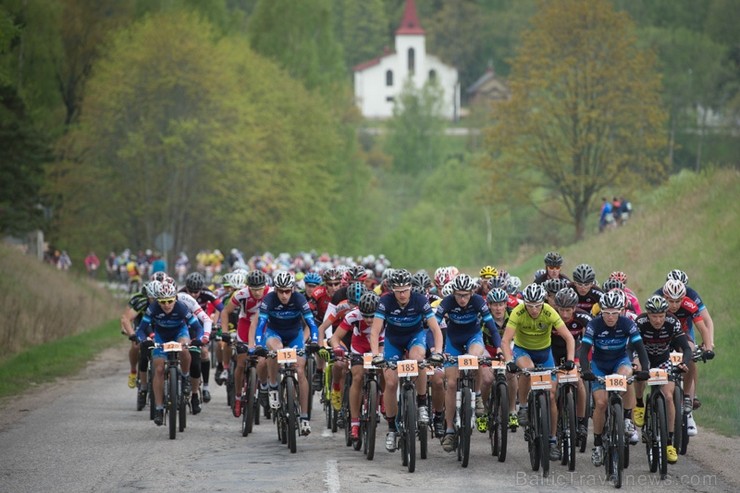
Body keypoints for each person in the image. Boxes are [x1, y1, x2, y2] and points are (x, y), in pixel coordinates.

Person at [369, 268, 444, 452]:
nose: (402, 295)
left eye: (405, 290)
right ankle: (392, 429)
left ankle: (421, 403)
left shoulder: (419, 300)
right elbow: (375, 331)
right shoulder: (385, 301)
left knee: (418, 359)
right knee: (391, 382)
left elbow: (435, 329)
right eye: (398, 291)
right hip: (393, 340)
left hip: (414, 337)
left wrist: (438, 352)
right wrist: (375, 355)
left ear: (411, 287)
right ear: (392, 290)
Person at [500, 283, 576, 461]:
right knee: (528, 369)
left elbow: (569, 338)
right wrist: (509, 361)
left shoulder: (549, 311)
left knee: (550, 395)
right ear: (525, 303)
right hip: (523, 351)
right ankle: (524, 406)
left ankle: (552, 440)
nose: (534, 310)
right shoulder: (518, 312)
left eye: (537, 305)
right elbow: (505, 341)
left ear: (542, 303)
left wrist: (571, 360)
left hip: (545, 353)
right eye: (530, 305)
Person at [580, 290, 650, 466]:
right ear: (601, 311)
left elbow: (640, 348)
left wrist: (645, 370)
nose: (610, 317)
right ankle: (597, 445)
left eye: (614, 313)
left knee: (626, 377)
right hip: (599, 365)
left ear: (620, 311)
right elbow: (584, 350)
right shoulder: (594, 325)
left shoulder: (627, 323)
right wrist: (586, 369)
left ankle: (627, 418)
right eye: (606, 313)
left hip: (620, 361)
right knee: (601, 404)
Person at [435, 274, 502, 452]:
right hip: (453, 342)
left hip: (473, 337)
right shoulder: (447, 302)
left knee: (474, 359)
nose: (462, 299)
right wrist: (436, 351)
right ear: (454, 294)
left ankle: (478, 395)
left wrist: (499, 347)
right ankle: (449, 430)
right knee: (450, 384)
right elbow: (433, 326)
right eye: (459, 295)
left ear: (472, 293)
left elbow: (491, 327)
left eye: (466, 295)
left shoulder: (478, 301)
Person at [251, 271, 319, 436]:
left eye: (287, 291)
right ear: (275, 290)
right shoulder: (269, 300)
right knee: (276, 351)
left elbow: (311, 324)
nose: (283, 295)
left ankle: (304, 417)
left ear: (293, 289)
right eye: (280, 291)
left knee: (300, 371)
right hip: (275, 334)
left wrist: (315, 341)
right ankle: (273, 386)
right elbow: (260, 326)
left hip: (295, 336)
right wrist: (259, 345)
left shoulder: (299, 300)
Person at [632, 295, 692, 464]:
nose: (658, 320)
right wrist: (635, 365)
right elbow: (631, 347)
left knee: (668, 396)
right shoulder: (640, 322)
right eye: (654, 316)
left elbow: (686, 348)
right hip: (644, 357)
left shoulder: (672, 322)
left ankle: (669, 443)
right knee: (638, 370)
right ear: (648, 314)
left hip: (664, 360)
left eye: (661, 316)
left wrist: (683, 363)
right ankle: (639, 404)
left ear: (666, 313)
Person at [136, 282, 202, 426]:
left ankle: (185, 377)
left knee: (185, 349)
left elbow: (198, 327)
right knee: (158, 369)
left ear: (175, 299)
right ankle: (159, 408)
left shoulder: (181, 308)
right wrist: (144, 340)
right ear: (158, 301)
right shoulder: (152, 308)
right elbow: (141, 330)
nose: (166, 305)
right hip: (161, 336)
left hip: (179, 332)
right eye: (163, 302)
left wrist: (198, 340)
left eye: (170, 301)